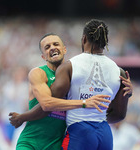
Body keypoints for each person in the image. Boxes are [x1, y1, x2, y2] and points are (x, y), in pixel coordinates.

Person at [10, 19, 133, 150]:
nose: (52, 48)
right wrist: (90, 109)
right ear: (43, 57)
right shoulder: (39, 73)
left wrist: (23, 117)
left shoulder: (71, 68)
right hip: (33, 141)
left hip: (63, 140)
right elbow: (47, 104)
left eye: (55, 44)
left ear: (65, 49)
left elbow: (47, 106)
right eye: (47, 47)